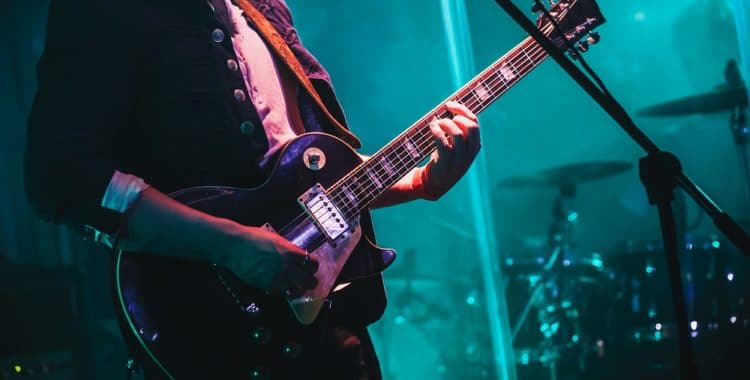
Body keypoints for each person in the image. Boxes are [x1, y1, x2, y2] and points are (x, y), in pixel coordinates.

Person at [24, 0, 481, 378]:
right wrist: (231, 246)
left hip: (330, 333)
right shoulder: (105, 10)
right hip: (205, 330)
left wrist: (421, 182)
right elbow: (62, 176)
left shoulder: (266, 10)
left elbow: (308, 175)